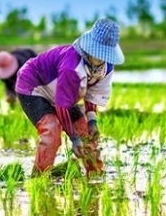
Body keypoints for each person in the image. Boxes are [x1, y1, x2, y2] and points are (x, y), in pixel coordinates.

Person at [15, 18, 125, 176]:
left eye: (105, 54)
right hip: (33, 84)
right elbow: (62, 106)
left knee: (86, 131)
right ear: (90, 48)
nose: (101, 58)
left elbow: (93, 94)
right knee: (51, 130)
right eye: (98, 53)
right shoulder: (72, 67)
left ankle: (95, 175)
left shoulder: (106, 67)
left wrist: (92, 121)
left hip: (62, 90)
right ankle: (39, 178)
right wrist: (73, 138)